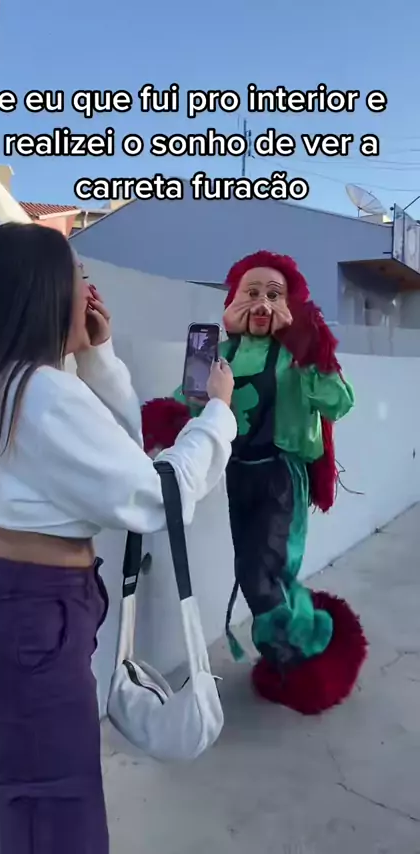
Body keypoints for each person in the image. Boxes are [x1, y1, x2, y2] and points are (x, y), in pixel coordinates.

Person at [0, 222, 236, 854]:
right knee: (59, 830)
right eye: (78, 275)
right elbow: (154, 497)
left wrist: (98, 359)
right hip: (30, 630)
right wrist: (217, 415)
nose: (89, 289)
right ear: (46, 292)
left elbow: (116, 466)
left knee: (38, 822)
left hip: (5, 619)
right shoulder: (44, 393)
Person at [141, 250, 367, 716]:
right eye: (252, 292)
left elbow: (339, 402)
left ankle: (305, 650)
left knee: (261, 575)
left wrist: (308, 348)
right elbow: (188, 405)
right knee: (258, 573)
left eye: (274, 295)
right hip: (239, 473)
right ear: (232, 301)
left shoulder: (296, 354)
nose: (262, 304)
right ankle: (283, 655)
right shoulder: (218, 355)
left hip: (281, 476)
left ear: (290, 305)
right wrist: (156, 429)